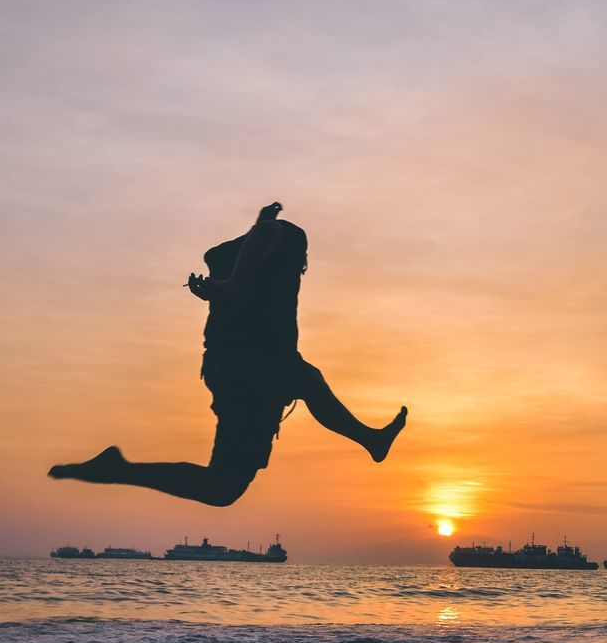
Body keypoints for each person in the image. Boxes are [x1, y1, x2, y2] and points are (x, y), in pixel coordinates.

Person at [48, 202, 407, 506]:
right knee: (222, 488)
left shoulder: (242, 262)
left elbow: (257, 244)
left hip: (238, 366)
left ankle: (370, 439)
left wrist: (254, 235)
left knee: (305, 378)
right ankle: (118, 470)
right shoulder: (289, 241)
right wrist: (257, 239)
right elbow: (266, 239)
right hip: (256, 370)